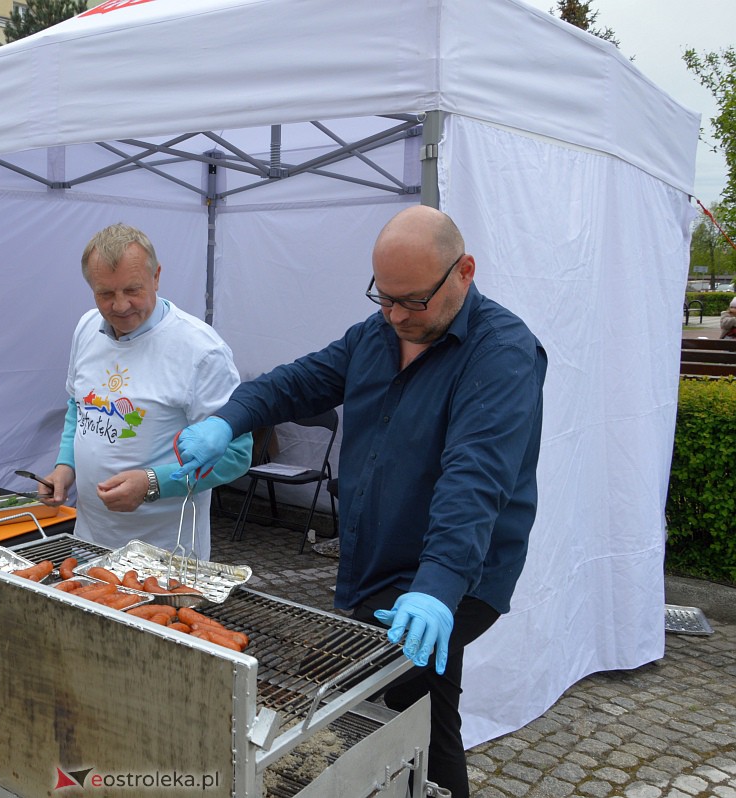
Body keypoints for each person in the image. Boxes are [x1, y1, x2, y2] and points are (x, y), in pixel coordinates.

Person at [174, 205, 547, 798]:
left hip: (456, 572)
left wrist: (438, 584)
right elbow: (295, 382)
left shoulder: (501, 354)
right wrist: (231, 421)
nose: (396, 315)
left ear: (464, 271)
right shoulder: (378, 334)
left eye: (413, 302)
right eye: (385, 298)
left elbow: (474, 478)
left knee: (396, 701)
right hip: (377, 555)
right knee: (425, 711)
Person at [41, 223, 252, 560]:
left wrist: (154, 483)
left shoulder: (200, 350)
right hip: (90, 543)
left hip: (166, 553)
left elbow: (237, 454)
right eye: (105, 294)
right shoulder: (86, 329)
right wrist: (65, 466)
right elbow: (77, 406)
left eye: (132, 290)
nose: (120, 306)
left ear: (156, 277)